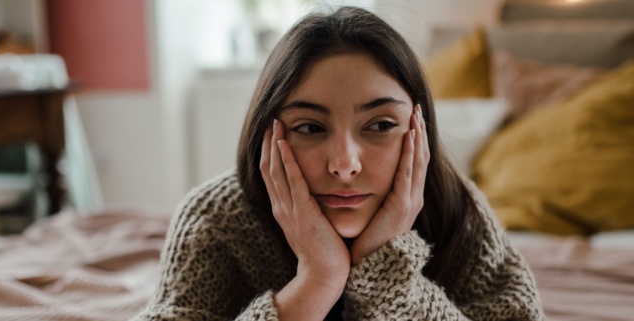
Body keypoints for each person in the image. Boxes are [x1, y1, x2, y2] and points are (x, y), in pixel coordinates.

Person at [133, 6, 542, 320]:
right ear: (268, 134)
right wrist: (317, 280)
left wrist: (384, 271)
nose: (345, 165)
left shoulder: (458, 210)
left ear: (419, 131)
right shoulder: (215, 219)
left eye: (380, 124)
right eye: (310, 128)